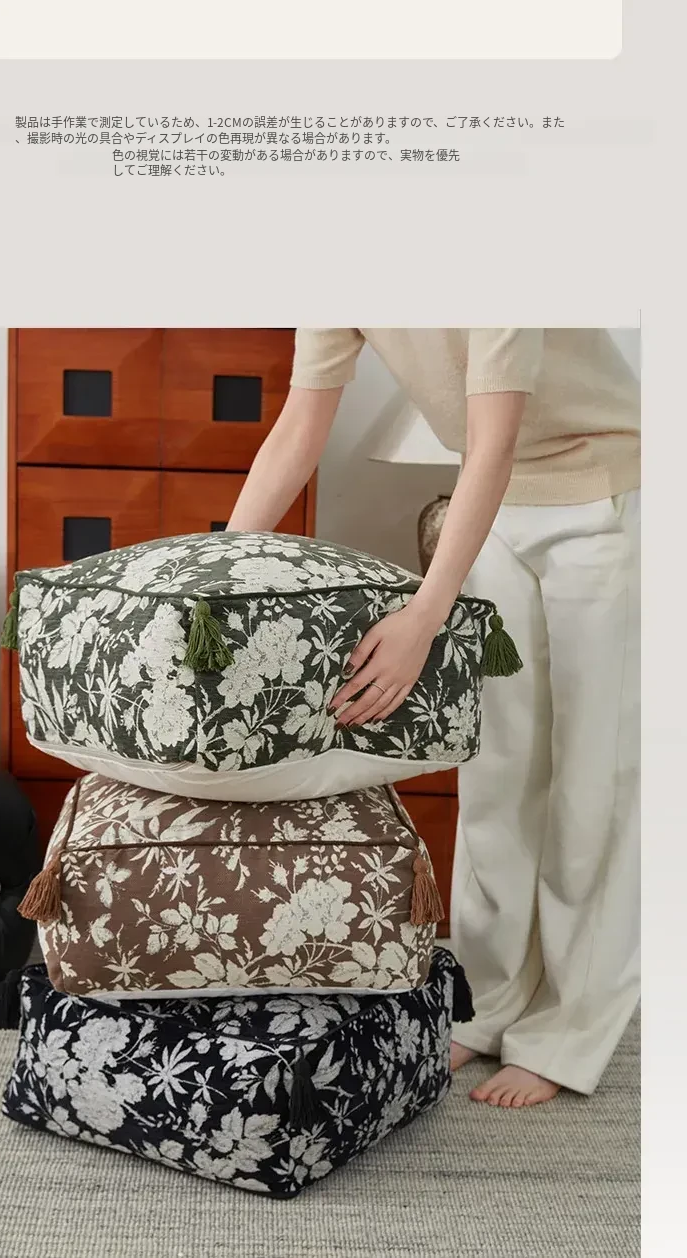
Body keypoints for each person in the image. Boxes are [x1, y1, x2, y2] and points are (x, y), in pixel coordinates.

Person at [226, 328, 640, 1108]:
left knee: (594, 782)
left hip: (608, 494)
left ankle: (567, 1032)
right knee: (497, 772)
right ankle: (486, 1004)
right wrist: (216, 571)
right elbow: (299, 424)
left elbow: (495, 439)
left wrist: (424, 615)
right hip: (496, 507)